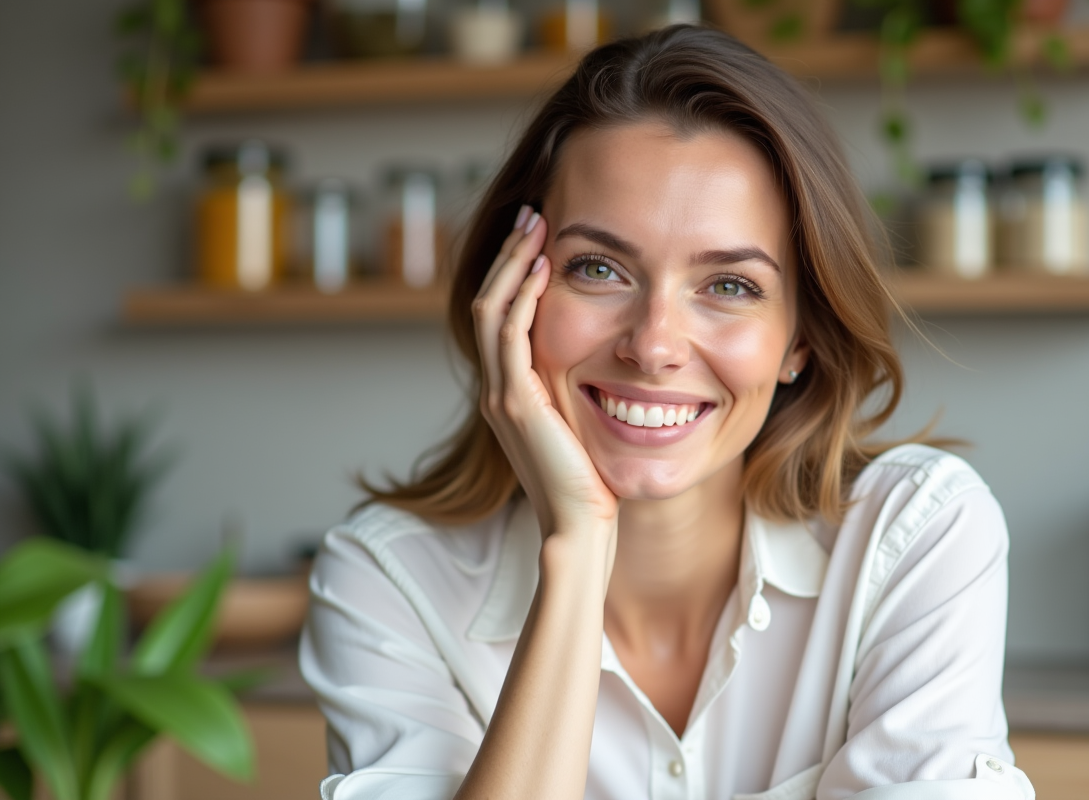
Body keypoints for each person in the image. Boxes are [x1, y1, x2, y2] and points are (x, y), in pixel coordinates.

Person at [300, 25, 1034, 800]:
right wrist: (577, 550)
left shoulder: (915, 536)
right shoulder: (387, 581)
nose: (653, 346)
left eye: (730, 286)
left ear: (801, 339)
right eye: (598, 269)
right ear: (512, 299)